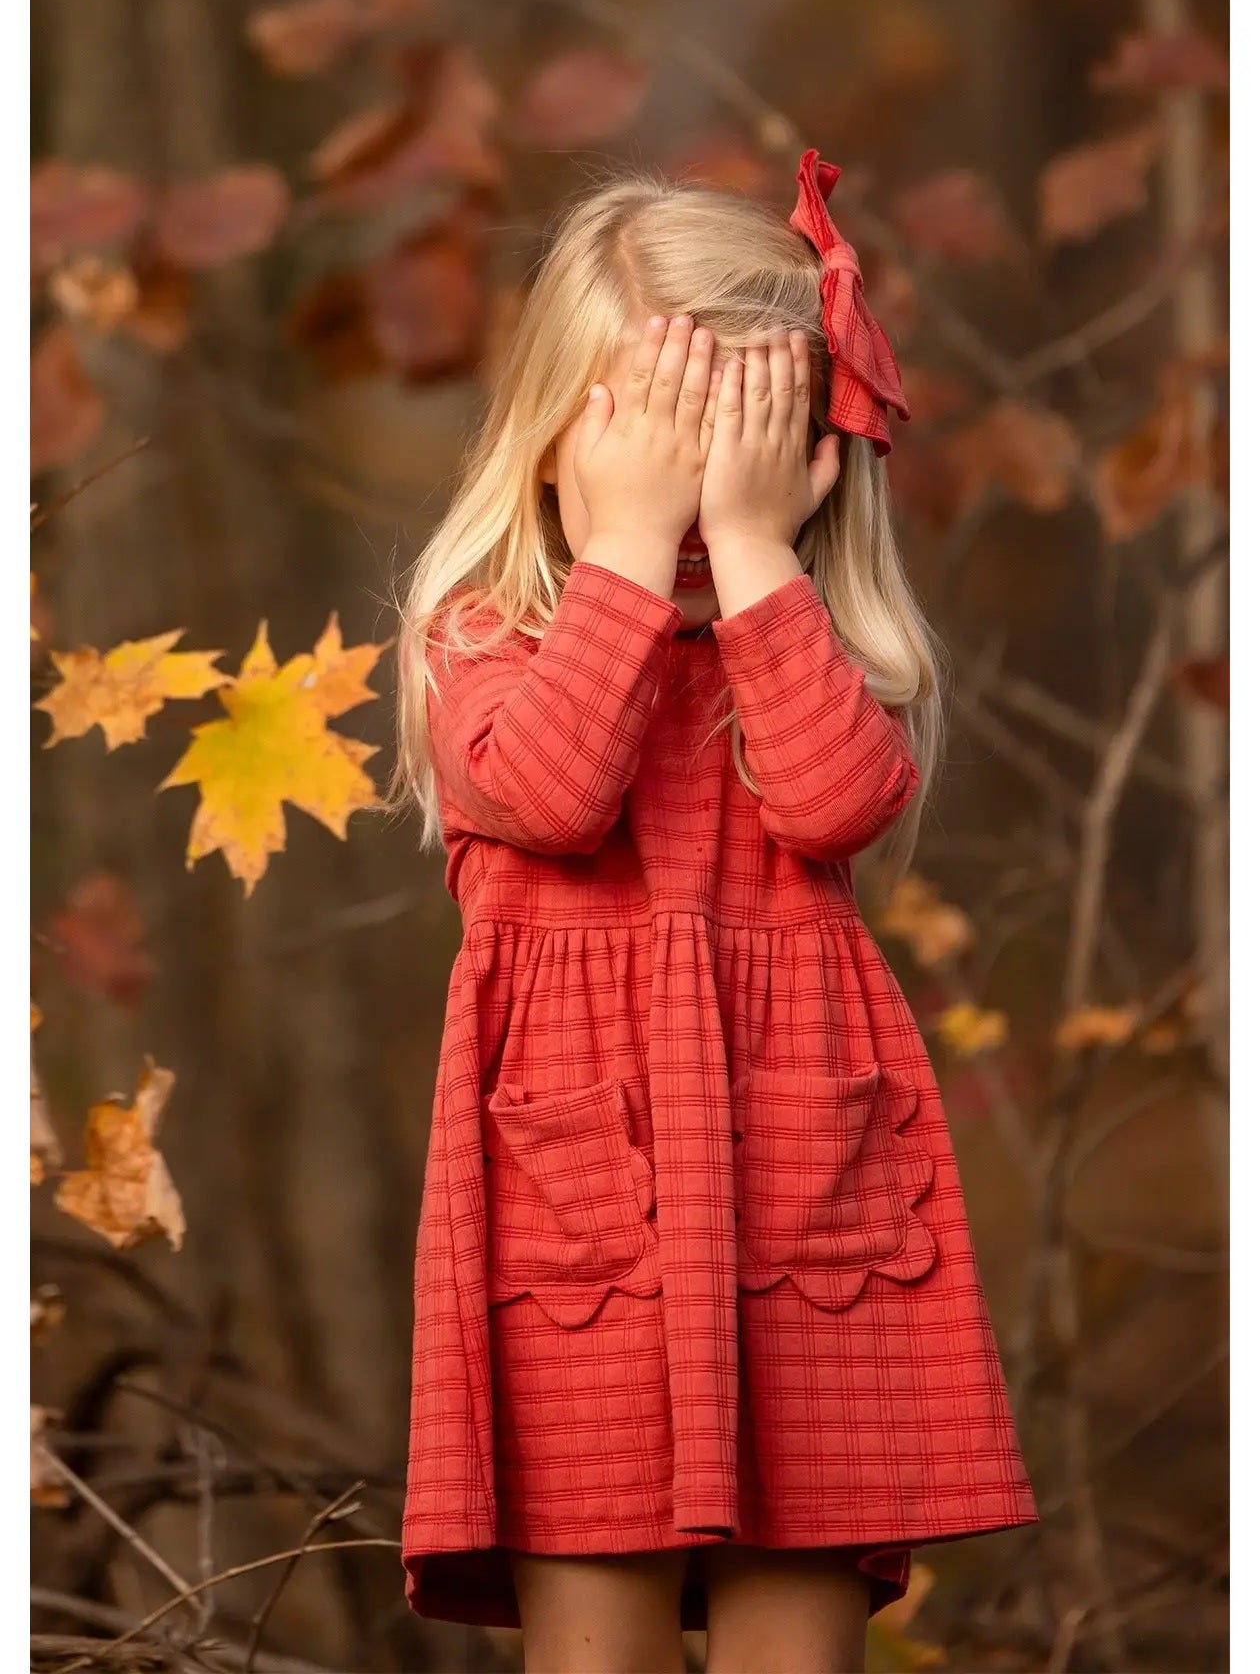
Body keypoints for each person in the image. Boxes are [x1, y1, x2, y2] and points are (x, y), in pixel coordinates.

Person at [390, 149, 1037, 1674]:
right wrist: (622, 550)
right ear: (555, 436)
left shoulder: (812, 645)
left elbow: (830, 805)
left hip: (801, 1209)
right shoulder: (481, 633)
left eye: (726, 447)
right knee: (594, 1638)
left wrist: (752, 555)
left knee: (793, 1645)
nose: (679, 493)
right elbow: (550, 793)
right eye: (645, 442)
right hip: (578, 1222)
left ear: (804, 455)